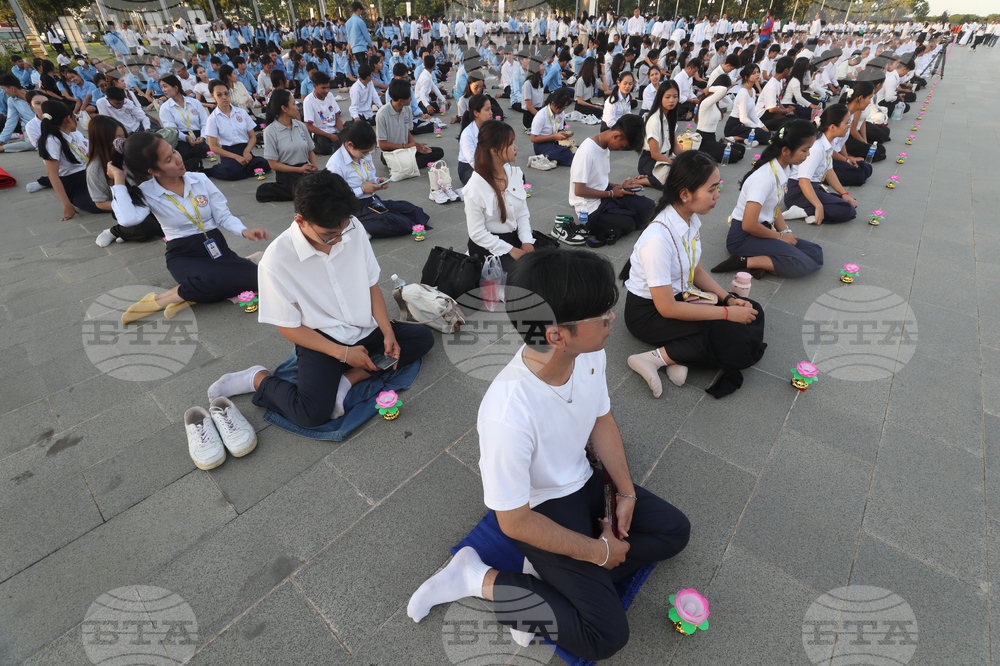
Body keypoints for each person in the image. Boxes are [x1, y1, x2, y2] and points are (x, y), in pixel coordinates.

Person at [406, 248, 691, 662]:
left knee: (675, 532)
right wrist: (599, 552)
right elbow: (514, 520)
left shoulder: (589, 352)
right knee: (605, 636)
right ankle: (475, 577)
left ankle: (560, 585)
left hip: (584, 481)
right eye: (602, 315)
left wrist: (626, 493)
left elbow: (602, 421)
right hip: (542, 508)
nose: (613, 319)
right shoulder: (508, 412)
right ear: (557, 335)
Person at [206, 169, 434, 432]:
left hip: (364, 326)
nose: (338, 240)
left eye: (342, 229)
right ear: (301, 220)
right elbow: (287, 327)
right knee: (312, 413)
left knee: (421, 339)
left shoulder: (353, 228)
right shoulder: (276, 261)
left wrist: (386, 332)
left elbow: (371, 285)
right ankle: (257, 379)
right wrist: (343, 353)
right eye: (328, 234)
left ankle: (348, 380)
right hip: (322, 338)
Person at [623, 150, 766, 399]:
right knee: (726, 334)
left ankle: (675, 355)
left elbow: (696, 270)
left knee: (753, 310)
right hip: (648, 313)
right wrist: (726, 313)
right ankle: (651, 359)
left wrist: (729, 299)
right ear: (685, 194)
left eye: (717, 187)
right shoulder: (657, 239)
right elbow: (667, 308)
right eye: (712, 189)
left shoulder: (689, 219)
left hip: (680, 297)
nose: (717, 195)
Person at [109, 132, 269, 324]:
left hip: (216, 247)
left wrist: (244, 231)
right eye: (168, 159)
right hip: (183, 254)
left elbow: (223, 216)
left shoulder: (199, 179)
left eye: (174, 151)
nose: (178, 159)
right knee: (210, 280)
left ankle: (187, 295)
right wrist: (118, 178)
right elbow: (128, 219)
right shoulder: (147, 192)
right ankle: (156, 302)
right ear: (154, 171)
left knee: (259, 279)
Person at [712, 121, 823, 280]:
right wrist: (779, 237)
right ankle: (744, 261)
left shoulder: (783, 167)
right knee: (804, 263)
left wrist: (785, 231)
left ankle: (761, 262)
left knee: (815, 252)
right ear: (785, 150)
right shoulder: (763, 178)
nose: (808, 154)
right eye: (805, 150)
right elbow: (749, 225)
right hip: (744, 238)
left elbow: (774, 206)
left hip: (762, 230)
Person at [326, 120, 429, 238]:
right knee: (398, 222)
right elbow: (335, 198)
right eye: (364, 152)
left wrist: (378, 181)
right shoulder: (335, 164)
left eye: (369, 151)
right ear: (350, 145)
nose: (367, 155)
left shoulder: (364, 154)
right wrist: (362, 190)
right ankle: (362, 230)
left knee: (412, 210)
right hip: (353, 206)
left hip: (371, 200)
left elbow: (369, 176)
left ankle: (366, 225)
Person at [568, 115, 654, 245]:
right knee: (628, 223)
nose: (620, 149)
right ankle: (601, 224)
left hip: (605, 193)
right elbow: (579, 191)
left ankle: (619, 215)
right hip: (589, 206)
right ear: (616, 136)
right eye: (622, 145)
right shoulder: (587, 151)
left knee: (649, 206)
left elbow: (600, 181)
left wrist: (623, 186)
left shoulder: (604, 146)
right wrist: (611, 194)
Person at [464, 120, 534, 271]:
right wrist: (510, 250)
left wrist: (527, 240)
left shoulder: (515, 174)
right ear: (494, 151)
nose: (516, 147)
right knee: (520, 276)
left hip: (514, 238)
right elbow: (477, 233)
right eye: (510, 144)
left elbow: (522, 213)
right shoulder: (474, 187)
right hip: (487, 246)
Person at [88, 117, 164, 246]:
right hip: (129, 205)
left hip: (151, 197)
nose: (122, 141)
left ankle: (130, 233)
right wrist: (127, 204)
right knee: (148, 227)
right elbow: (100, 203)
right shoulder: (95, 169)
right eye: (117, 137)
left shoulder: (130, 152)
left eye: (124, 136)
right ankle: (115, 231)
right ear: (103, 139)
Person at [784, 104, 857, 225]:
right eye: (846, 123)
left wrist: (844, 193)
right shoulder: (816, 148)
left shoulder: (827, 144)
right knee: (847, 209)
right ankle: (805, 211)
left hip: (812, 188)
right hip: (797, 193)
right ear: (833, 127)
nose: (849, 126)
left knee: (847, 203)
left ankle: (807, 212)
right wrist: (818, 206)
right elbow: (803, 181)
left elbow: (829, 171)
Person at [37, 100, 103, 220]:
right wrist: (67, 205)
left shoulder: (74, 134)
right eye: (75, 118)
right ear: (68, 118)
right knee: (98, 206)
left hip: (90, 174)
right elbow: (52, 175)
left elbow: (88, 152)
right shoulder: (52, 141)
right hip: (75, 184)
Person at [256, 89, 318, 202]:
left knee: (322, 185)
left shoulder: (300, 126)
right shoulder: (270, 131)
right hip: (287, 173)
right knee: (307, 192)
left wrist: (314, 166)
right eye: (294, 104)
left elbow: (310, 151)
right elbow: (273, 164)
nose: (297, 107)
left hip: (305, 170)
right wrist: (298, 170)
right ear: (284, 108)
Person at [204, 79, 271, 181]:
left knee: (265, 164)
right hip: (229, 152)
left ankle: (243, 170)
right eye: (219, 95)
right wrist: (236, 157)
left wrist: (247, 151)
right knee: (231, 172)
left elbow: (252, 137)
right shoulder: (212, 119)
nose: (224, 98)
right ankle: (215, 170)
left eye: (226, 94)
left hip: (245, 149)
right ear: (213, 96)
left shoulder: (241, 113)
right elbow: (213, 147)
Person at [376, 79, 445, 171]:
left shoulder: (407, 109)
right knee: (393, 159)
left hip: (406, 151)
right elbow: (382, 145)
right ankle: (407, 165)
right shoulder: (382, 114)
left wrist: (416, 146)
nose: (411, 99)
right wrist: (405, 146)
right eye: (409, 97)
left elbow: (407, 132)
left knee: (438, 152)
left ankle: (406, 165)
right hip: (390, 153)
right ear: (401, 100)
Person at [637, 80, 682, 189]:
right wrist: (673, 163)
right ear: (660, 98)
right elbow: (655, 154)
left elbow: (675, 146)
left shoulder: (671, 118)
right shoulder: (654, 120)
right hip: (649, 161)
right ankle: (642, 181)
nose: (672, 100)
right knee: (675, 181)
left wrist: (686, 159)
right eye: (667, 97)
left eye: (675, 96)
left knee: (688, 171)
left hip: (665, 157)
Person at [158, 74, 211, 166]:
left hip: (198, 136)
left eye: (165, 86)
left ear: (175, 87)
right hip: (181, 138)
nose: (163, 90)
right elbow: (172, 130)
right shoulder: (165, 107)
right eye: (162, 87)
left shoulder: (194, 102)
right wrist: (186, 137)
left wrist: (202, 137)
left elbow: (204, 122)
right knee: (185, 155)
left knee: (205, 151)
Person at [696, 78, 745, 164]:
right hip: (704, 141)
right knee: (736, 155)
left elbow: (729, 102)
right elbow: (722, 89)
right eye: (727, 90)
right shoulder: (706, 102)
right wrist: (709, 89)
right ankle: (706, 153)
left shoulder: (715, 103)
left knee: (741, 149)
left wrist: (722, 94)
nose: (725, 93)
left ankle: (718, 147)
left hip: (712, 139)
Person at [724, 64, 770, 144]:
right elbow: (743, 118)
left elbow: (752, 114)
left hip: (742, 125)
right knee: (764, 135)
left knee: (768, 134)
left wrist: (762, 126)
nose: (757, 74)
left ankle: (745, 139)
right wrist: (758, 128)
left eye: (758, 72)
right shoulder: (743, 92)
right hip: (733, 127)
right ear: (746, 77)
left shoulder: (753, 90)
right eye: (753, 73)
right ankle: (735, 138)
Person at [301, 71, 343, 155]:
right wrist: (329, 136)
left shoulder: (330, 95)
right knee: (326, 150)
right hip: (319, 132)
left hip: (333, 129)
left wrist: (343, 134)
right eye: (323, 88)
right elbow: (309, 126)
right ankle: (310, 147)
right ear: (315, 86)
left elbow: (336, 117)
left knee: (346, 143)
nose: (326, 90)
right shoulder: (308, 101)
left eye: (328, 87)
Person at [530, 89, 575, 166]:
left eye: (564, 108)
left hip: (554, 142)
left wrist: (565, 134)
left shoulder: (561, 113)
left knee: (577, 148)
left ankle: (562, 158)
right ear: (553, 104)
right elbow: (533, 138)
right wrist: (553, 136)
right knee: (566, 153)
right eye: (561, 108)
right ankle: (541, 157)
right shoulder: (541, 116)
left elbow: (560, 130)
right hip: (541, 145)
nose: (562, 110)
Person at [458, 93, 493, 185]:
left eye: (490, 109)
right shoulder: (467, 134)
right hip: (469, 167)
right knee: (482, 182)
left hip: (490, 163)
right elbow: (473, 161)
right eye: (487, 109)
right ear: (476, 113)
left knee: (518, 176)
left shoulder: (492, 128)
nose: (491, 113)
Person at [521, 58, 546, 130]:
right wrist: (541, 116)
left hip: (538, 111)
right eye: (542, 66)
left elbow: (541, 102)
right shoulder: (528, 84)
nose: (544, 68)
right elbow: (529, 106)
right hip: (530, 116)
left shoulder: (539, 82)